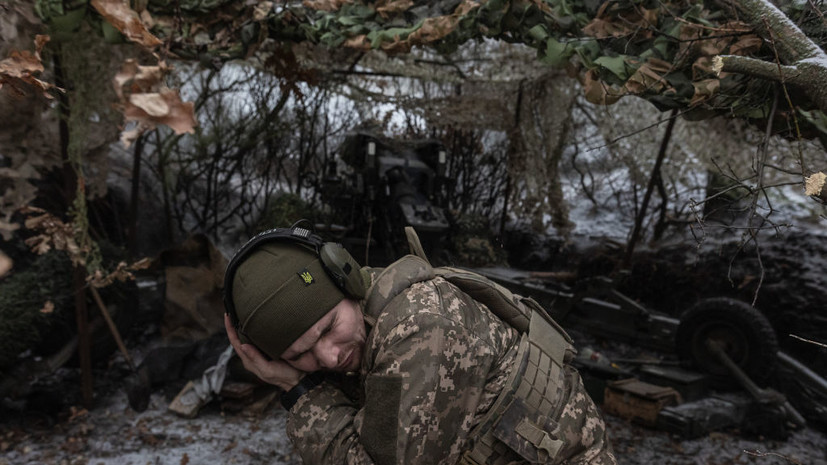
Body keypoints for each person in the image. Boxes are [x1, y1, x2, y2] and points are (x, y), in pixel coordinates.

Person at [223, 224, 616, 465]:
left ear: (348, 280)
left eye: (328, 328)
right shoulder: (372, 320)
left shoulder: (418, 327)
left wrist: (299, 390)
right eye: (298, 355)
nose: (328, 356)